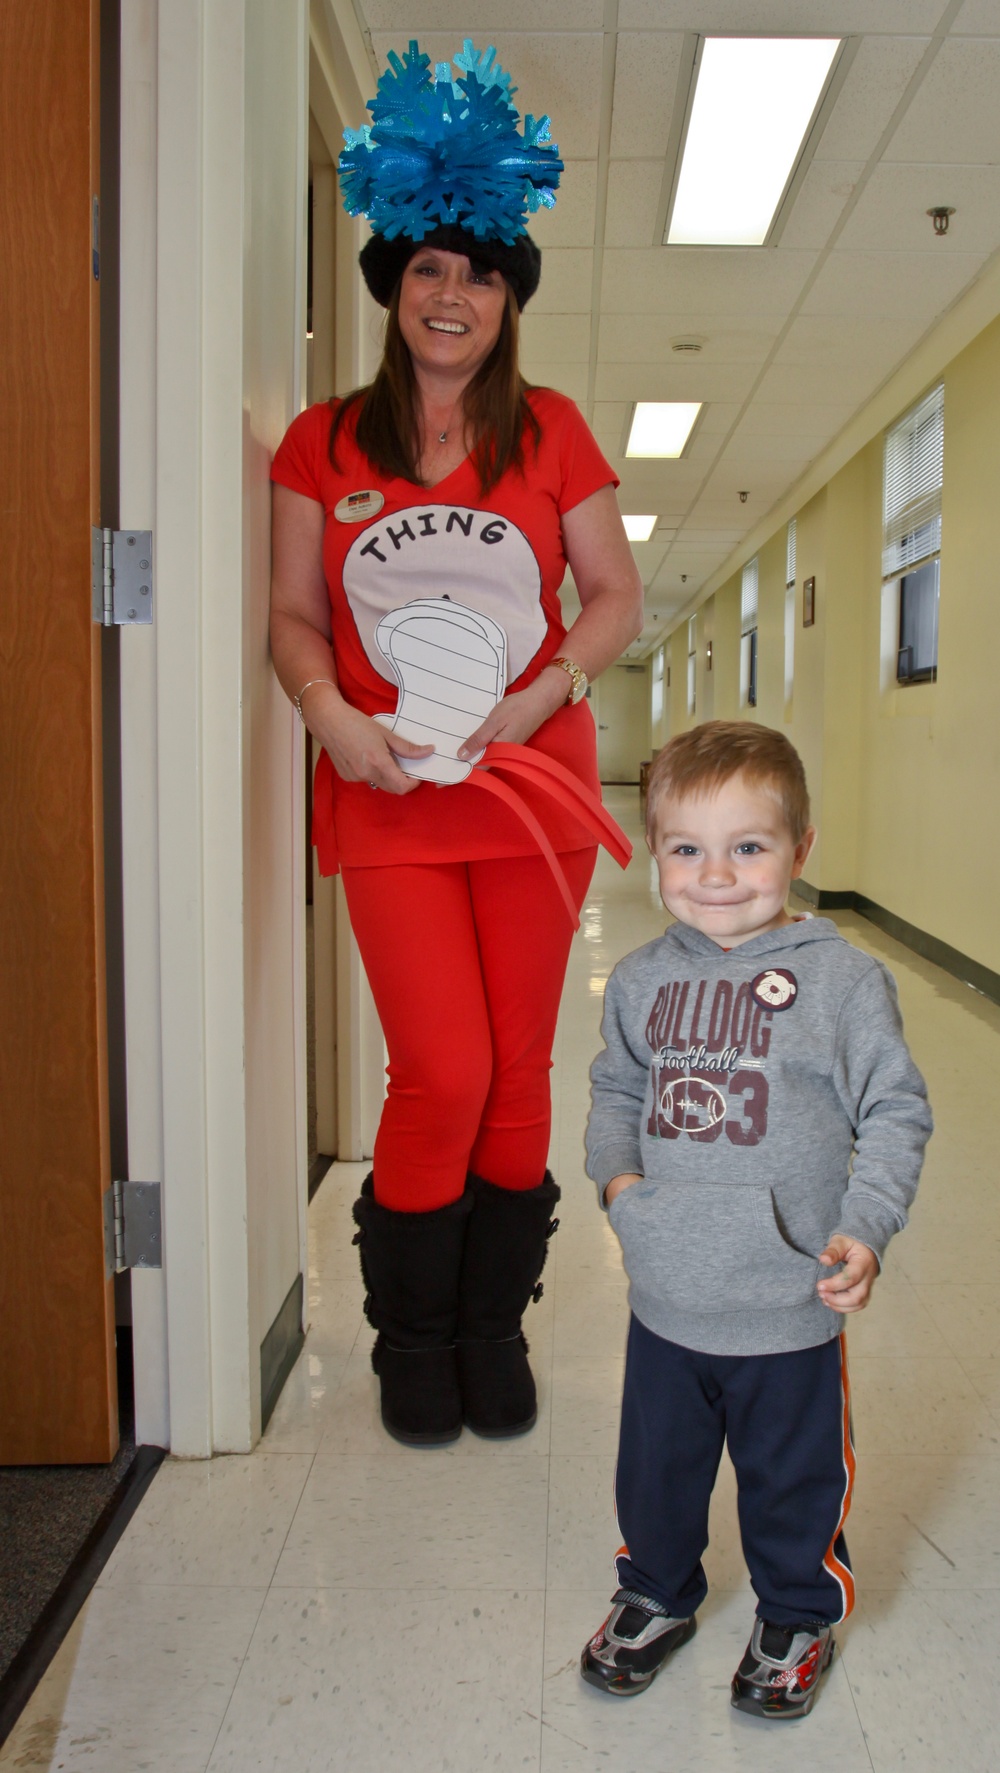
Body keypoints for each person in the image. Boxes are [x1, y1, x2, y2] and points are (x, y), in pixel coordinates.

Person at [268, 40, 643, 1448]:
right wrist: (328, 717)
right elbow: (296, 619)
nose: (454, 294)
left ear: (507, 300)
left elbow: (614, 596)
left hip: (532, 789)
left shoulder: (549, 431)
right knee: (442, 1066)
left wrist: (546, 691)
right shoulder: (321, 442)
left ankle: (493, 1328)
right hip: (391, 799)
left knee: (522, 1070)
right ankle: (412, 1334)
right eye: (430, 267)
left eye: (480, 273)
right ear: (392, 286)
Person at [581, 721, 932, 1718]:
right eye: (687, 848)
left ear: (799, 848)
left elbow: (894, 1111)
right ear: (656, 855)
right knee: (656, 1471)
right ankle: (654, 1591)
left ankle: (795, 1610)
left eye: (749, 845)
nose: (717, 874)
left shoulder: (841, 982)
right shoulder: (643, 979)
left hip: (788, 1300)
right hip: (666, 1297)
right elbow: (615, 1091)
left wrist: (864, 1226)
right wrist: (619, 1190)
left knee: (792, 1477)